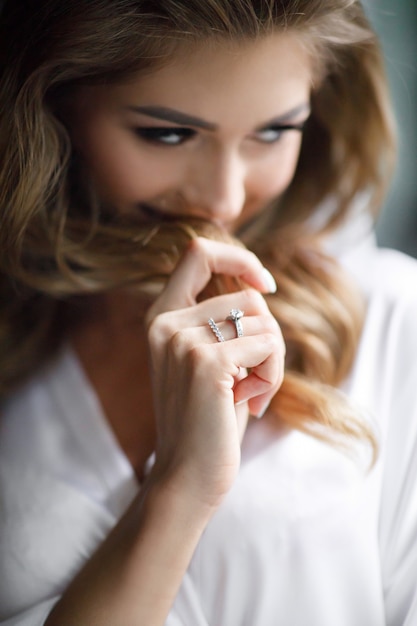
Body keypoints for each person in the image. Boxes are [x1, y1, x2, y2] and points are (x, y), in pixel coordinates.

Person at [1, 0, 417, 624]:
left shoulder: (393, 318)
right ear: (56, 108)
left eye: (274, 131)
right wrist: (182, 487)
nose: (225, 194)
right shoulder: (16, 359)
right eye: (168, 133)